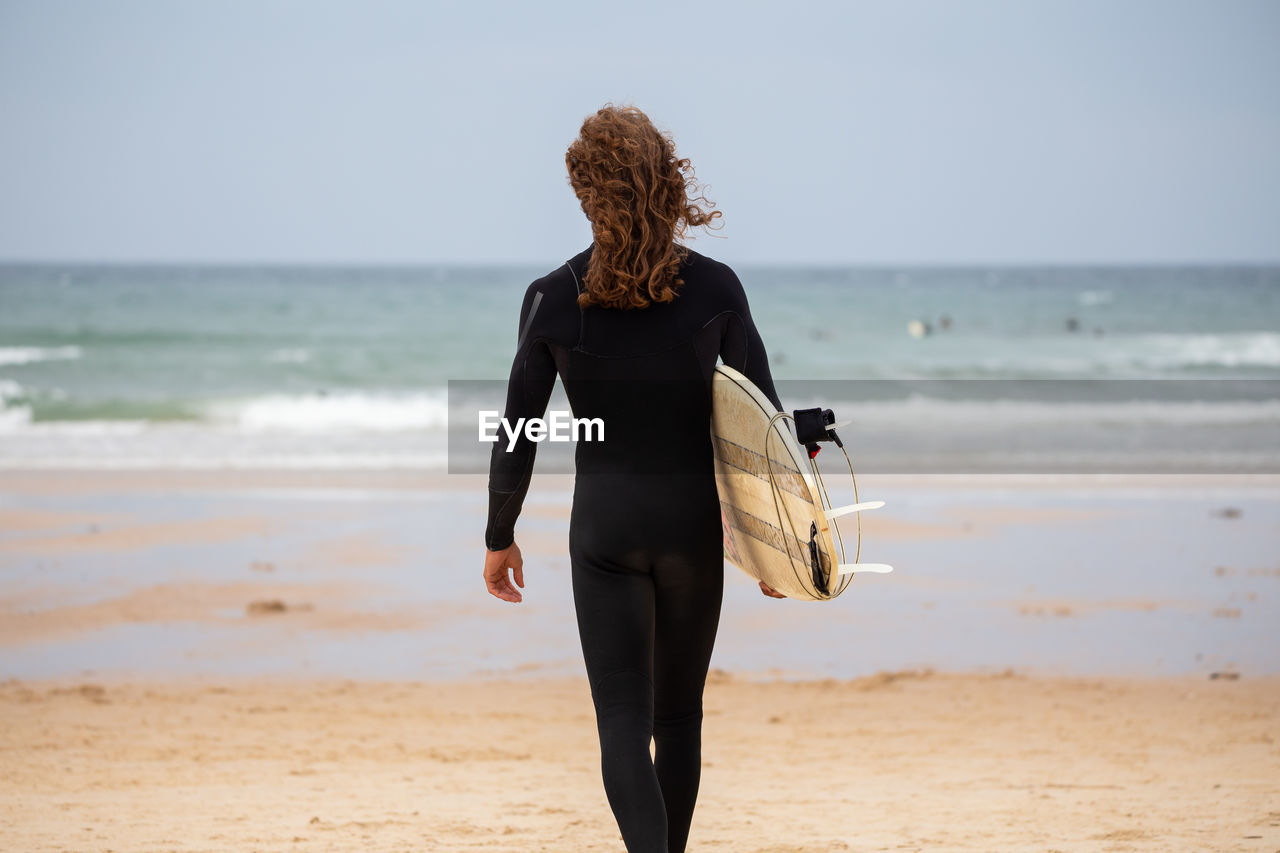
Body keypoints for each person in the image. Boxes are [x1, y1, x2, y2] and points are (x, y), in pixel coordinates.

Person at [481, 103, 784, 853]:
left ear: (585, 192)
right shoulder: (715, 288)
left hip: (607, 529)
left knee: (622, 720)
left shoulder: (555, 295)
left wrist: (499, 535)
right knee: (678, 717)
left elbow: (517, 427)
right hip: (688, 527)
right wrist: (776, 544)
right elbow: (765, 427)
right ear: (666, 182)